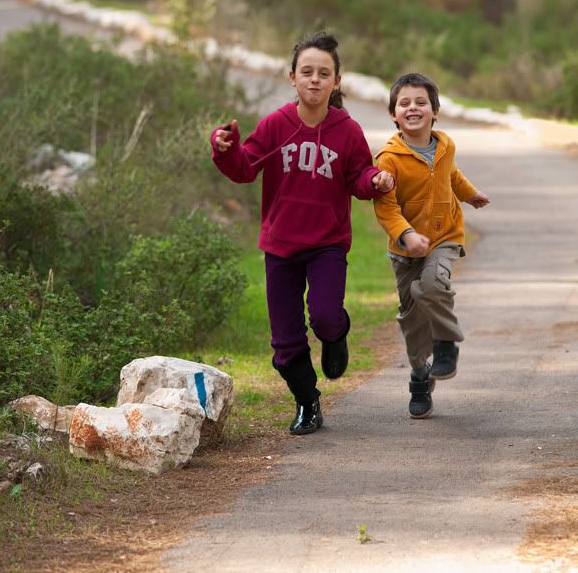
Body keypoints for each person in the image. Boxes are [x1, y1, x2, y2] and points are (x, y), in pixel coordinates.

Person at [210, 31, 394, 435]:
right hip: (280, 246)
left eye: (324, 73)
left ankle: (335, 335)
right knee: (285, 341)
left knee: (325, 316)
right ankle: (307, 402)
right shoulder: (276, 125)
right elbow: (245, 167)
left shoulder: (347, 130)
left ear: (336, 81)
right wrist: (225, 149)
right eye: (307, 72)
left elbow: (359, 176)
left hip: (327, 244)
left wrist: (376, 180)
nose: (315, 79)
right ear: (292, 77)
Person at [373, 72, 490, 419]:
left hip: (444, 237)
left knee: (433, 285)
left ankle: (446, 344)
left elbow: (451, 175)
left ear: (435, 111)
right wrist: (407, 235)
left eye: (421, 102)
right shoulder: (388, 159)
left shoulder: (445, 145)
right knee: (412, 320)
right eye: (404, 103)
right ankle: (420, 374)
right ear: (393, 114)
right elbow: (386, 208)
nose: (413, 108)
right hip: (404, 250)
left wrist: (469, 194)